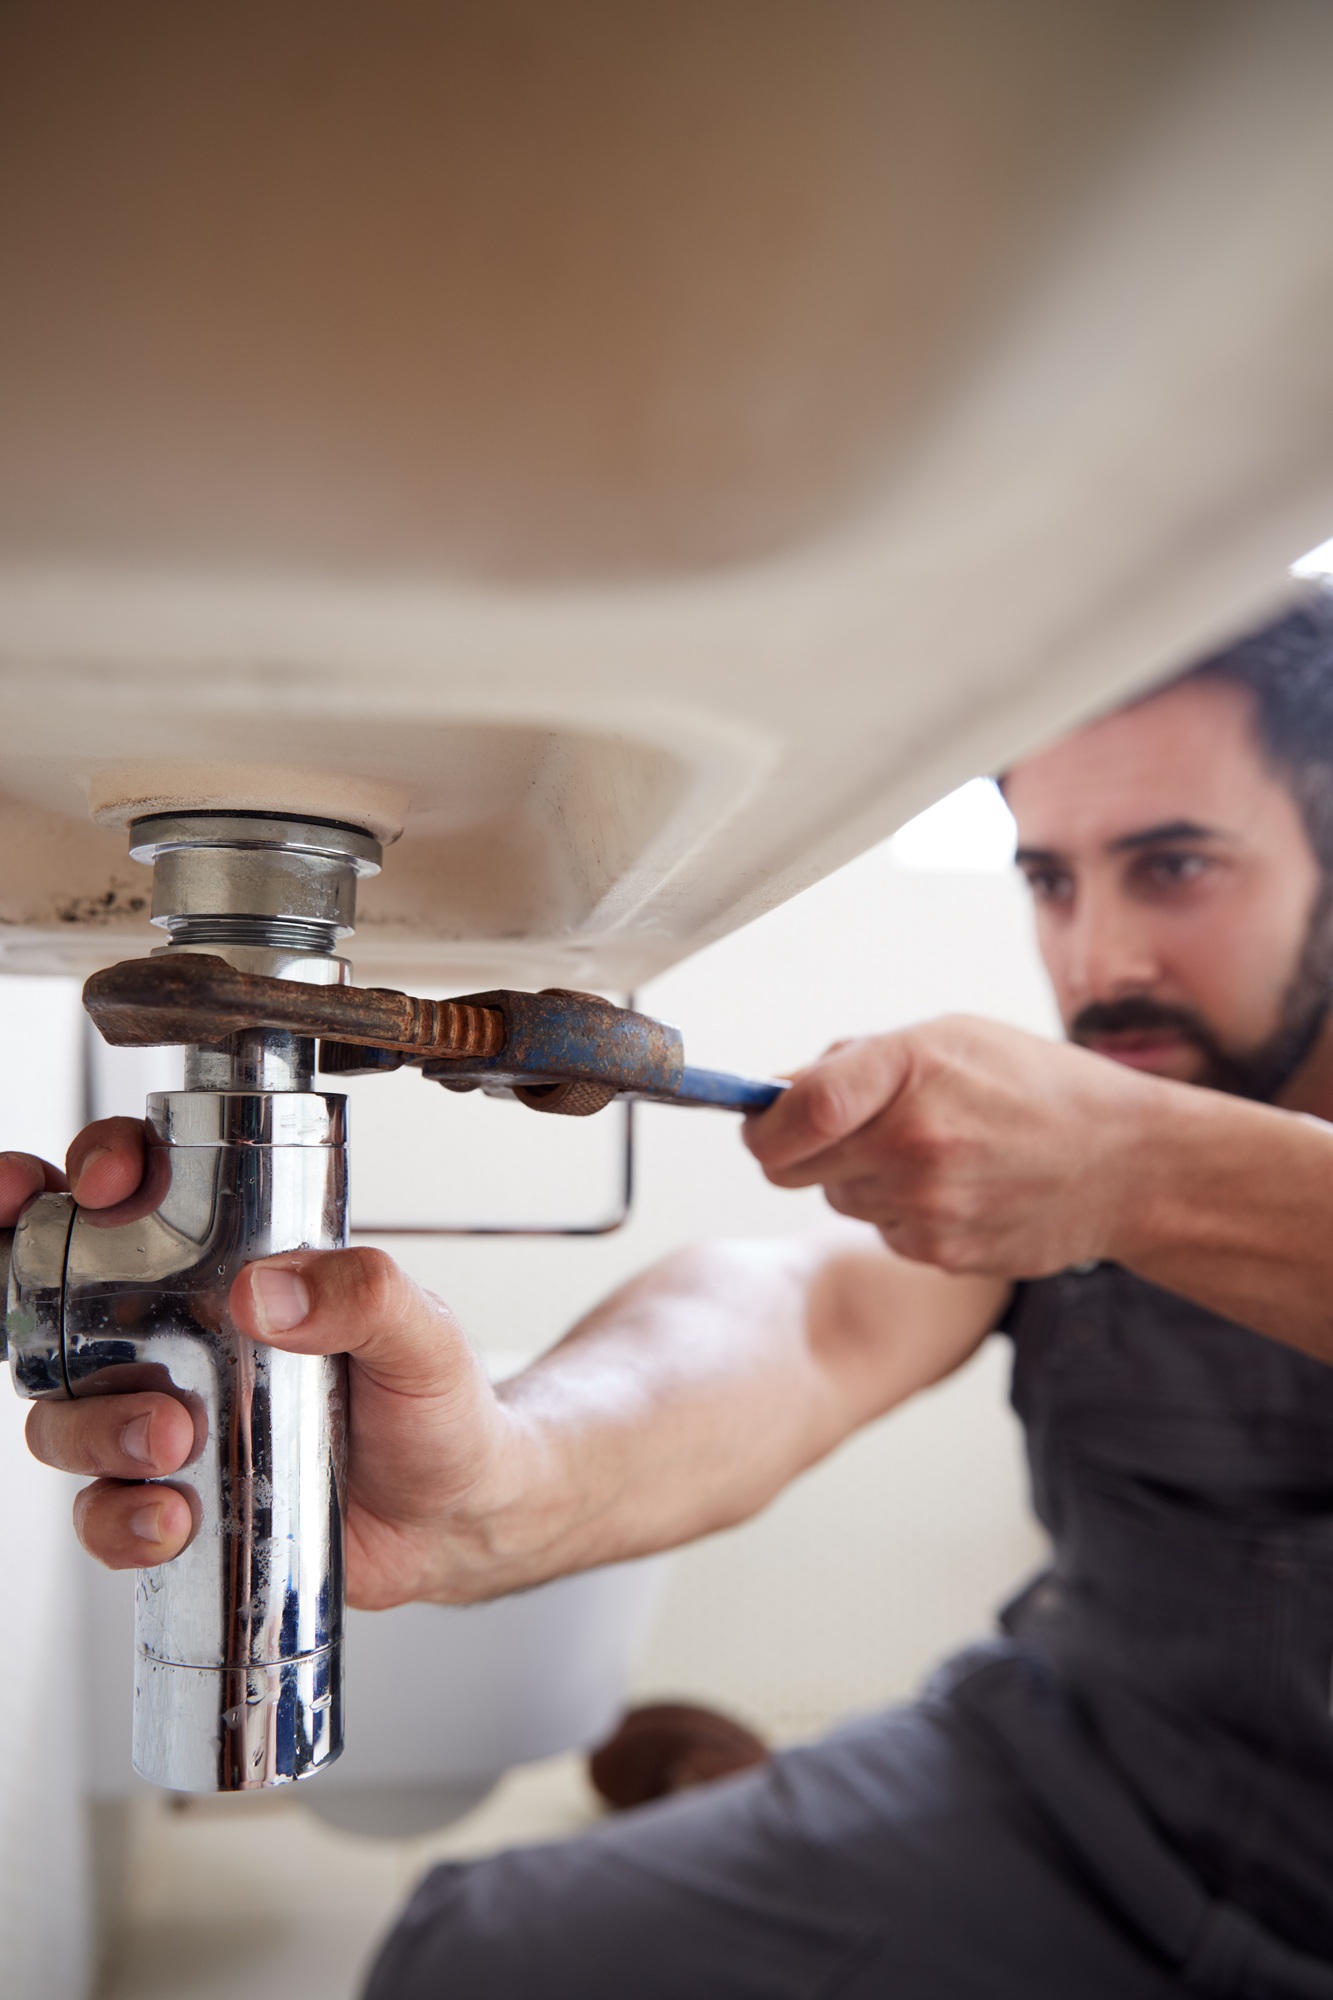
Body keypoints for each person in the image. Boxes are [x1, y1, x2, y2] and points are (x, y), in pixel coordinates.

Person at [10, 590, 1333, 1998]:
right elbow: (805, 1321)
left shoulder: (1115, 1140)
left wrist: (1144, 1172)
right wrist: (506, 1475)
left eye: (1175, 867)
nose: (1097, 960)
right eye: (1053, 879)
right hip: (1070, 1794)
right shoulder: (1077, 1154)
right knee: (477, 1958)